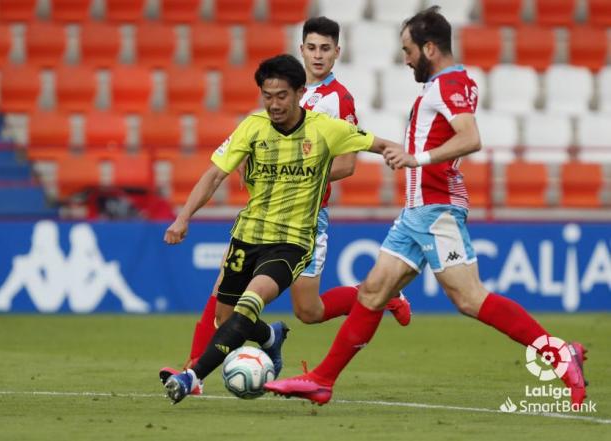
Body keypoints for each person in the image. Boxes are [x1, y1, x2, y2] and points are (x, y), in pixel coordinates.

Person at [264, 7, 587, 407]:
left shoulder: (445, 85)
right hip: (416, 211)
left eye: (408, 50)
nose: (405, 59)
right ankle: (322, 380)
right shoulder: (451, 81)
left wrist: (419, 159)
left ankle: (556, 351)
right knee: (372, 292)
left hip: (435, 209)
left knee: (469, 298)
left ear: (429, 48)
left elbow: (471, 138)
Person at [159, 16, 410, 387]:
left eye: (326, 48)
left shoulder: (337, 101)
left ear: (337, 53)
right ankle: (195, 366)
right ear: (301, 49)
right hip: (261, 220)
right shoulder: (286, 89)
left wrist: (289, 176)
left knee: (310, 311)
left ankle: (379, 293)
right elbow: (256, 143)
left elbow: (347, 164)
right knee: (236, 295)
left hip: (306, 220)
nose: (318, 55)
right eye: (312, 47)